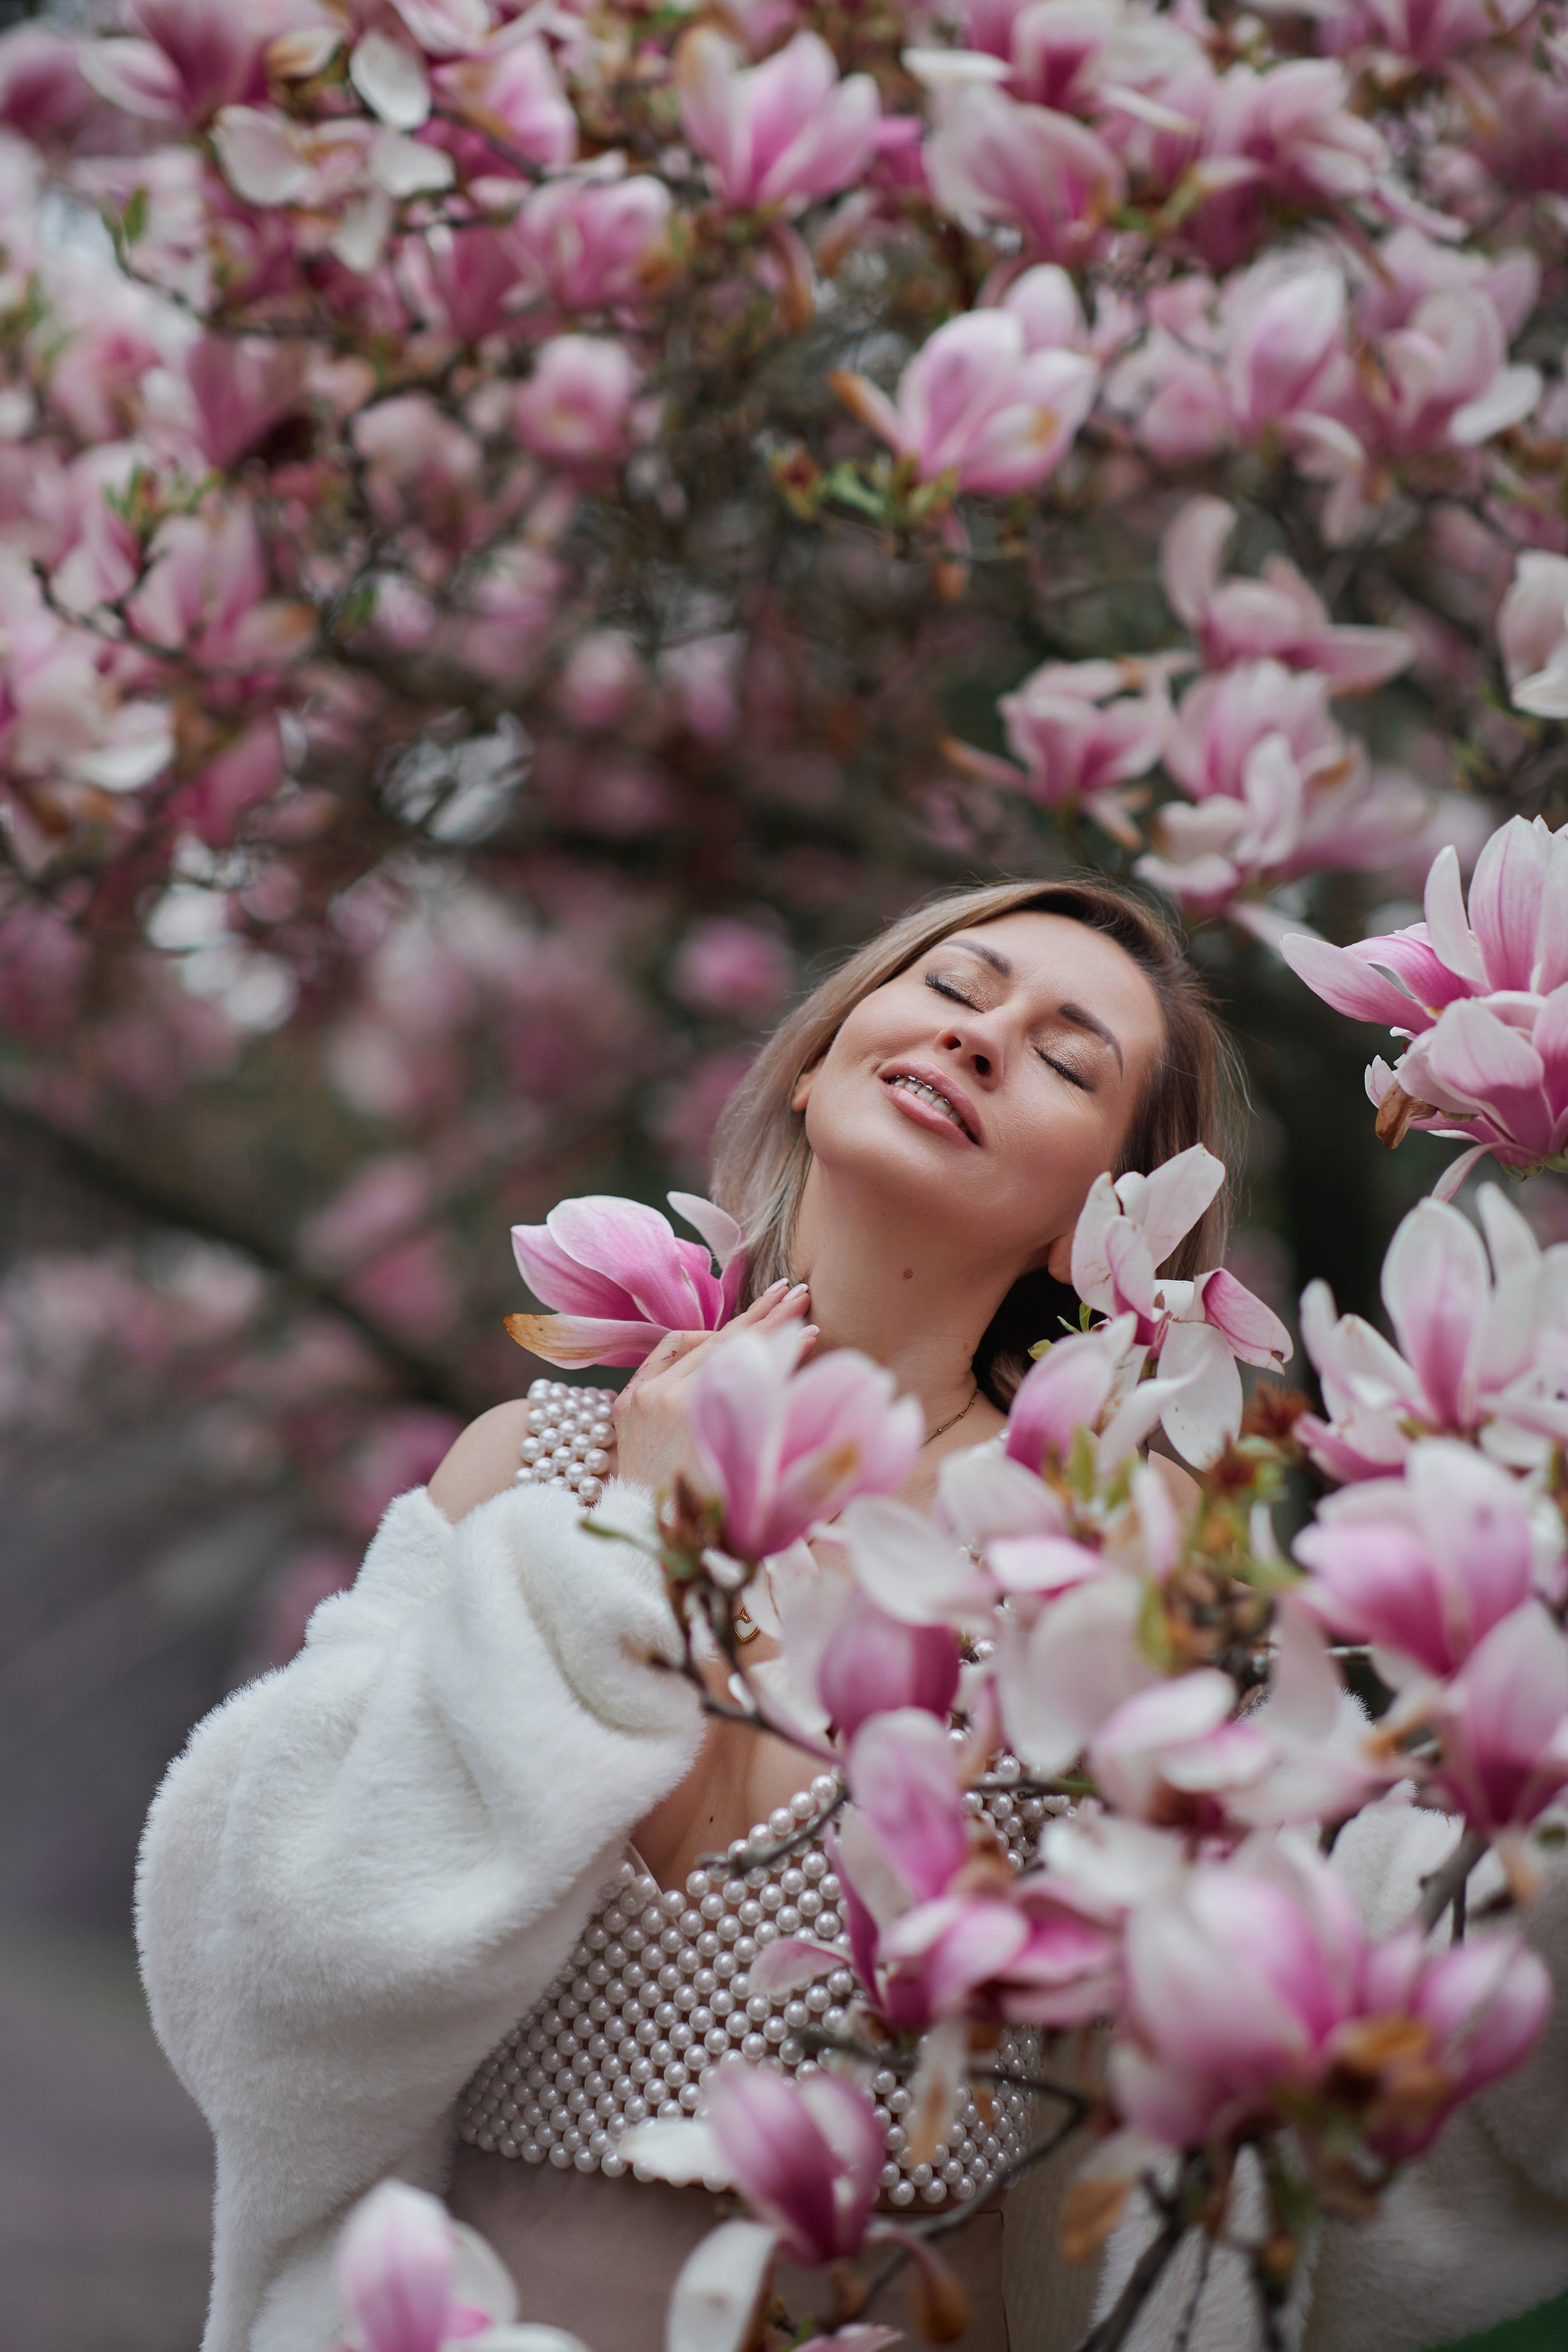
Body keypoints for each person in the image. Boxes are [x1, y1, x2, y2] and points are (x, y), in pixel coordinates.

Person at [135, 877, 1568, 2352]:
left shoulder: (1099, 1576)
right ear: (819, 1057)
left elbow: (1290, 2026)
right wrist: (630, 1539)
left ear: (1105, 1218)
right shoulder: (529, 1476)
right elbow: (286, 1953)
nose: (982, 1039)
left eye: (1068, 1060)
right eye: (955, 990)